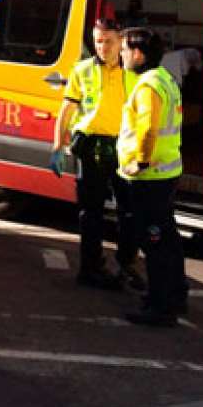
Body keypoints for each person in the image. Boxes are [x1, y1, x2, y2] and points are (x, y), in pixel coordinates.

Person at [51, 18, 142, 291]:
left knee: (129, 211)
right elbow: (66, 110)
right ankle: (90, 267)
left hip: (122, 147)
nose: (102, 47)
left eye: (109, 41)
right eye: (98, 41)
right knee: (91, 212)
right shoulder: (83, 70)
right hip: (91, 147)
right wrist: (56, 146)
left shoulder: (133, 73)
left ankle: (127, 264)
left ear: (120, 41)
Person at [117, 27, 188, 327]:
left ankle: (160, 307)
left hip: (152, 177)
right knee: (168, 239)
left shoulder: (148, 86)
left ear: (138, 53)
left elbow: (148, 129)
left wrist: (140, 163)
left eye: (123, 50)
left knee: (155, 241)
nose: (120, 55)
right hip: (167, 172)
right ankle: (174, 295)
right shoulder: (164, 79)